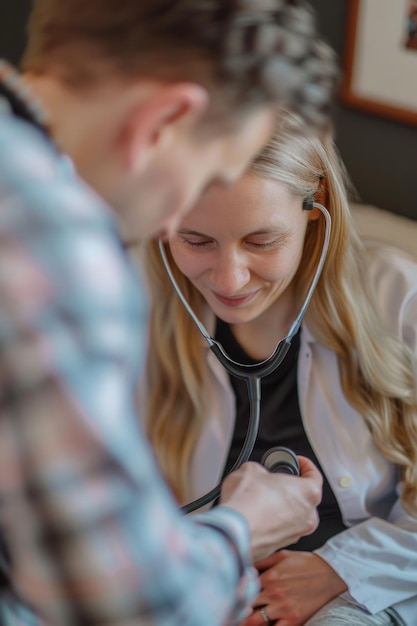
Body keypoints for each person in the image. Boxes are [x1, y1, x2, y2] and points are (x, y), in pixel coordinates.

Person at [0, 1, 340, 624]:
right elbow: (136, 608)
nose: (167, 227)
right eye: (207, 174)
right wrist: (243, 526)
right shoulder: (56, 247)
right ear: (164, 122)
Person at [141, 111, 417, 626]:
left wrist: (341, 569)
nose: (229, 277)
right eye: (196, 240)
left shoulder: (399, 298)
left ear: (317, 209)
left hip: (368, 588)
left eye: (262, 241)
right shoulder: (134, 322)